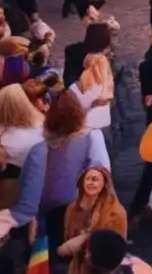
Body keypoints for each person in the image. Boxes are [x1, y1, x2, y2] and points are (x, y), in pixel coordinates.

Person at [40, 91, 111, 262]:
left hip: (46, 205)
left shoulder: (41, 136)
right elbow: (101, 169)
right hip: (77, 205)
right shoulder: (91, 136)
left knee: (50, 253)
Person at [58, 167, 127, 273]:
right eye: (88, 179)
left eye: (95, 180)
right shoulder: (73, 208)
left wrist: (84, 240)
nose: (91, 183)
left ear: (104, 184)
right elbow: (68, 236)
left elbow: (114, 247)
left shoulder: (115, 213)